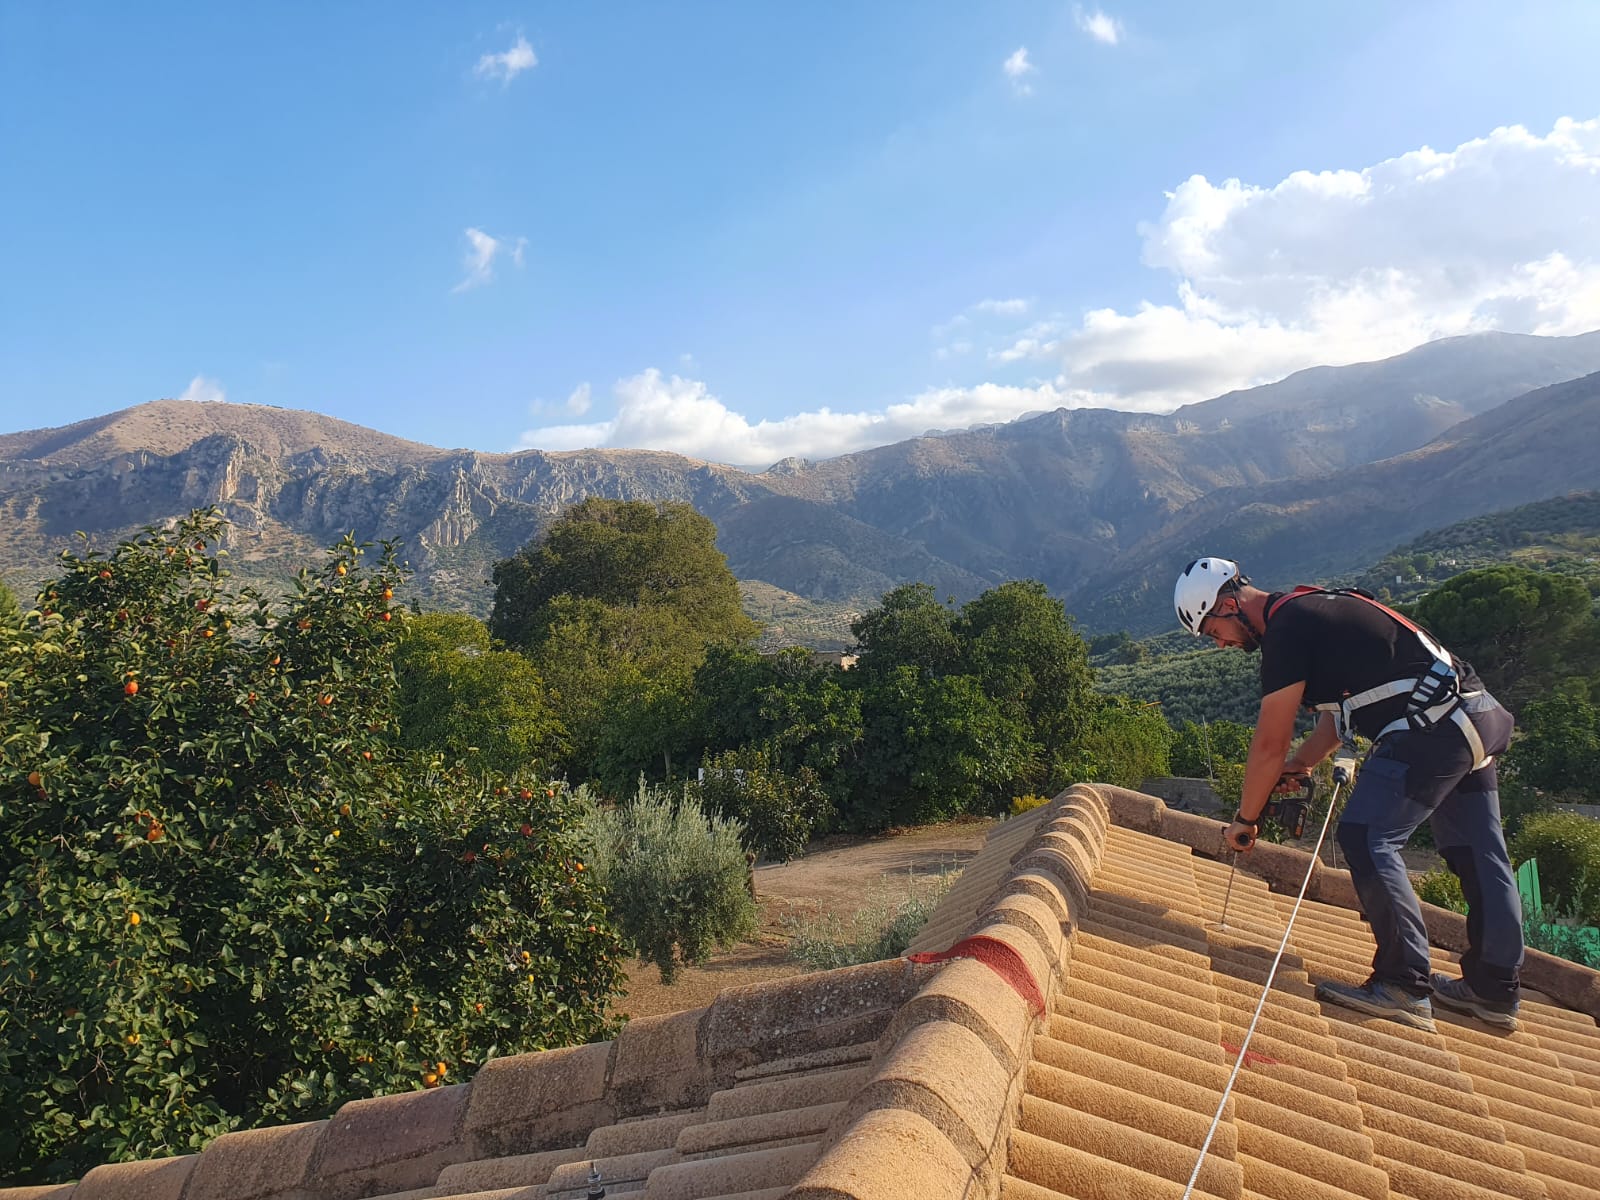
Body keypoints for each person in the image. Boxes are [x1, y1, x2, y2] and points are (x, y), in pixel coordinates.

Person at [1173, 556, 1522, 1032]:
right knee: (1479, 854)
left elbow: (1268, 743)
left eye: (1214, 630)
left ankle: (1403, 983)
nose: (1219, 643)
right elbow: (1340, 716)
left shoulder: (1285, 629)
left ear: (1230, 603)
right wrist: (1303, 764)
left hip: (1432, 728)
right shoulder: (1311, 607)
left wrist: (1246, 819)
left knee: (1365, 836)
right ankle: (1494, 989)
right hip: (1476, 715)